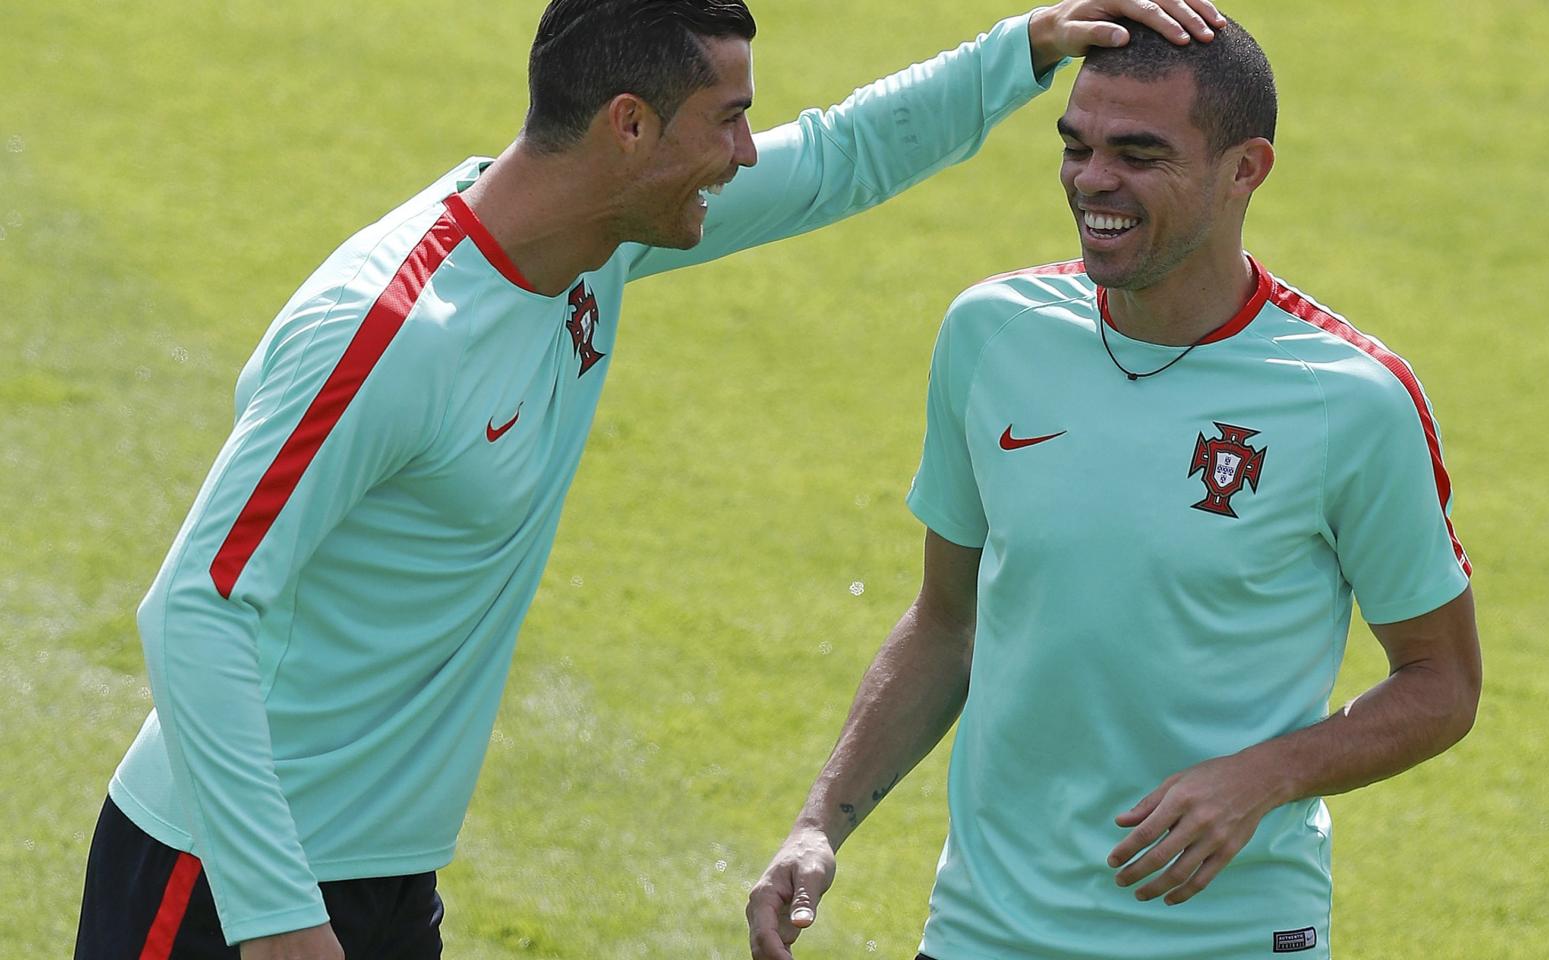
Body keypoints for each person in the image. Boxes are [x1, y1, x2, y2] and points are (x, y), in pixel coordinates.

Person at [70, 1, 1232, 957]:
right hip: (223, 879)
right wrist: (279, 924)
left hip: (371, 873)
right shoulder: (386, 333)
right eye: (726, 121)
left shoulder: (594, 244)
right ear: (629, 126)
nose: (742, 155)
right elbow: (196, 608)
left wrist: (1018, 52)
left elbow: (838, 158)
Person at [747, 16, 1482, 960]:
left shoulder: (1350, 400)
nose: (1093, 180)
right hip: (984, 932)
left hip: (1229, 939)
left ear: (1245, 168)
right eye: (1076, 145)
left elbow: (1442, 682)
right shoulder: (994, 333)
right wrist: (821, 824)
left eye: (1139, 154)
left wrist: (1261, 776)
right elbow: (947, 623)